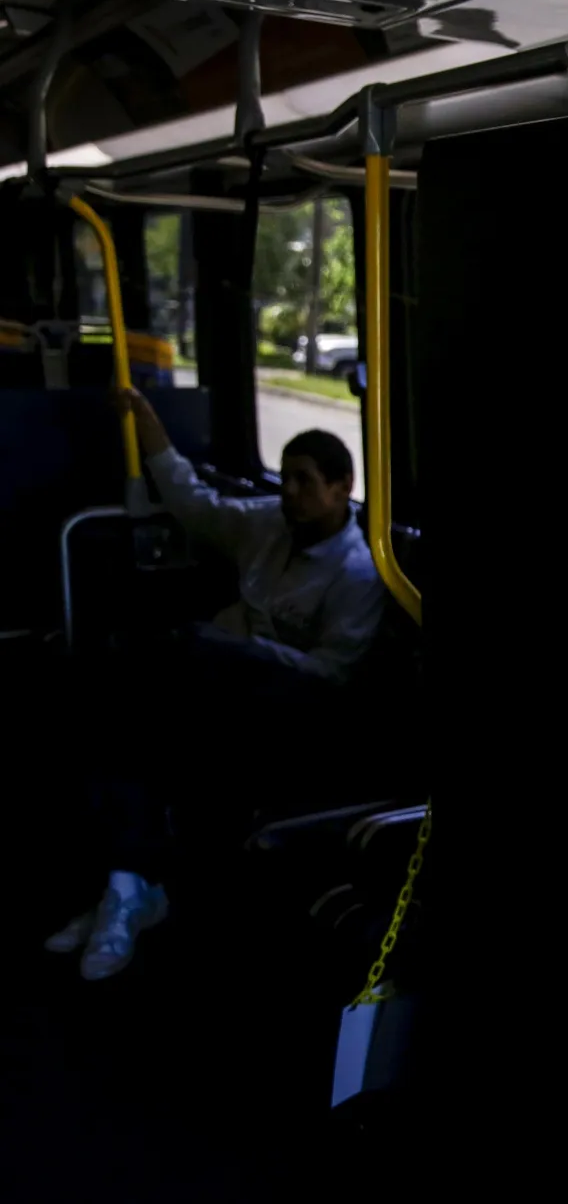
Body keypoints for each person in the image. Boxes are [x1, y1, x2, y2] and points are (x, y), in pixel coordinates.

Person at [43, 388, 386, 981]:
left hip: (300, 701)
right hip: (224, 680)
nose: (290, 494)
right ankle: (127, 884)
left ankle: (125, 891)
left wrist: (239, 650)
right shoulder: (267, 527)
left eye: (305, 482)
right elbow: (193, 502)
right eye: (287, 479)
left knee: (164, 678)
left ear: (341, 486)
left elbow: (334, 672)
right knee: (122, 708)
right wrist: (148, 426)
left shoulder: (356, 573)